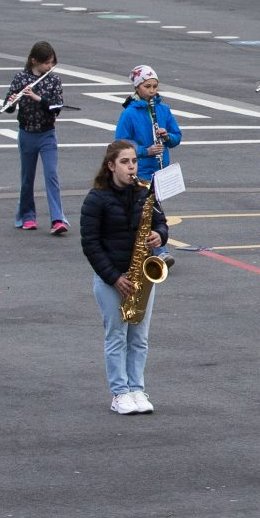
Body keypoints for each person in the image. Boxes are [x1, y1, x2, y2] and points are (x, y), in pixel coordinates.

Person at [78, 139, 164, 414]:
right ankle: (119, 393)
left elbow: (161, 222)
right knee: (116, 336)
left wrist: (159, 235)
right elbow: (90, 243)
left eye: (134, 161)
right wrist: (114, 277)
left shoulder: (145, 192)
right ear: (111, 166)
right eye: (125, 162)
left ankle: (137, 388)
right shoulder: (96, 199)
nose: (131, 167)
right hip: (113, 279)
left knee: (139, 337)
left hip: (141, 276)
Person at [6, 40, 68, 236]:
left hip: (47, 133)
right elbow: (8, 108)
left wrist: (38, 98)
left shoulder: (53, 80)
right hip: (26, 133)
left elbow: (57, 106)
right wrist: (11, 102)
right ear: (34, 61)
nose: (49, 67)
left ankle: (57, 219)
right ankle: (27, 215)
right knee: (27, 178)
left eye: (51, 63)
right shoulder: (20, 78)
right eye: (46, 63)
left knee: (51, 175)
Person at [114, 65, 183, 187]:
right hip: (140, 172)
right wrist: (146, 151)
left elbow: (176, 136)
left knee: (155, 205)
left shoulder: (163, 109)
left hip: (161, 170)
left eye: (155, 87)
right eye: (147, 86)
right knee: (143, 205)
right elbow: (120, 144)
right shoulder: (129, 113)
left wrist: (167, 137)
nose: (152, 91)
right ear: (137, 87)